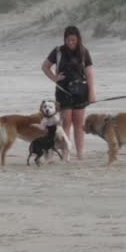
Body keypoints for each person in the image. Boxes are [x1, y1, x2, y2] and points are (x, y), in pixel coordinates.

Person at [42, 26, 95, 160]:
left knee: (78, 123)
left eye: (73, 40)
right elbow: (45, 66)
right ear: (64, 39)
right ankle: (66, 153)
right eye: (68, 40)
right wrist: (54, 78)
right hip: (63, 92)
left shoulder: (84, 52)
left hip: (81, 92)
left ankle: (80, 154)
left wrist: (92, 92)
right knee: (66, 123)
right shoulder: (58, 51)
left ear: (78, 39)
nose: (71, 43)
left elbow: (89, 74)